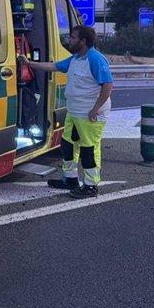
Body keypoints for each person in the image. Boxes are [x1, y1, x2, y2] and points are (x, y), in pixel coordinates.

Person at [20, 25, 114, 199]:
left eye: (72, 37)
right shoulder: (76, 58)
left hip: (90, 113)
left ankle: (91, 186)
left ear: (83, 41)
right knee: (68, 144)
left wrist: (96, 109)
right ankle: (70, 179)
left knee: (89, 149)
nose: (69, 40)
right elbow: (54, 66)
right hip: (75, 111)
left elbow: (107, 86)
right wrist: (29, 64)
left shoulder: (95, 59)